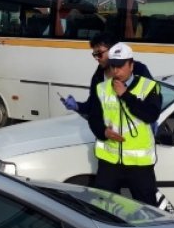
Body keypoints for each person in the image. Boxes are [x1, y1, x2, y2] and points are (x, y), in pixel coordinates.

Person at [86, 42, 161, 206]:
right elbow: (94, 118)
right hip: (110, 162)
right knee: (103, 207)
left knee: (146, 208)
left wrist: (126, 95)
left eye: (120, 66)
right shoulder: (102, 88)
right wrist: (103, 132)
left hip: (139, 164)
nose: (116, 71)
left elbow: (151, 115)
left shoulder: (149, 87)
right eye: (113, 66)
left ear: (131, 65)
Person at [62, 32, 152, 116]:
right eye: (95, 55)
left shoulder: (139, 69)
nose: (97, 58)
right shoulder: (98, 76)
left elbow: (152, 101)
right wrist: (77, 106)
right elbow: (92, 105)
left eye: (99, 54)